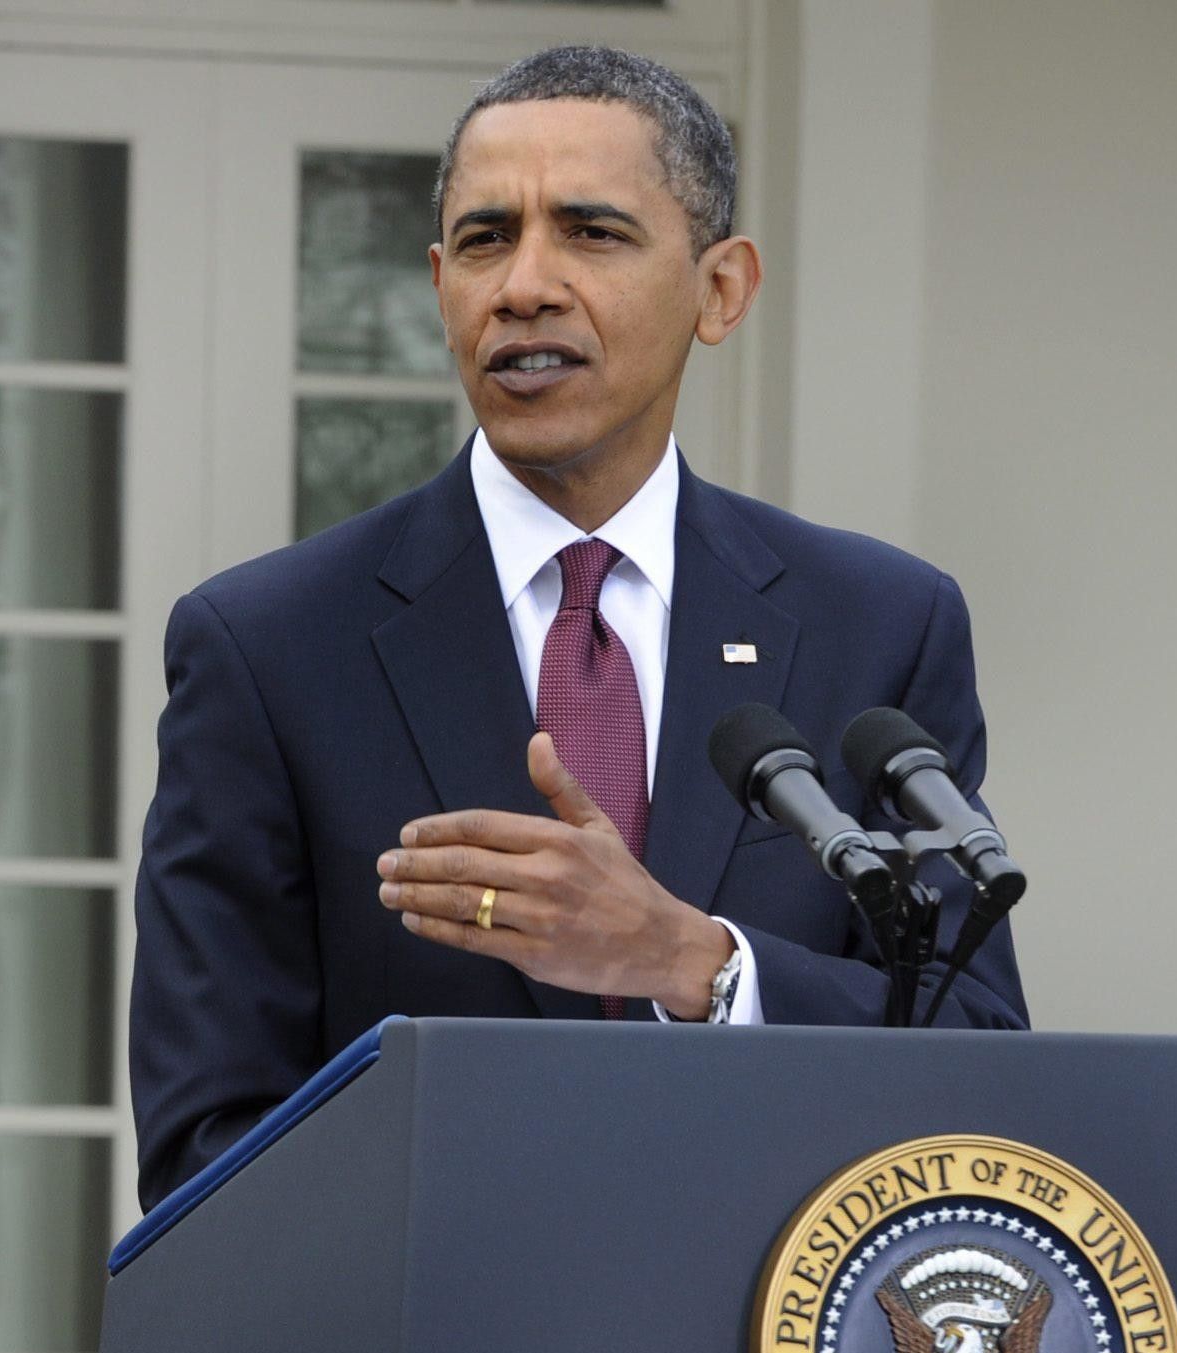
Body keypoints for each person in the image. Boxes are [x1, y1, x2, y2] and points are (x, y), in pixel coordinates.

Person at [131, 44, 1027, 1207]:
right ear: (441, 283)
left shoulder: (880, 624)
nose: (524, 286)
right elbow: (206, 1148)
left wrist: (694, 963)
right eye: (485, 239)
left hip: (776, 1315)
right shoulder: (269, 648)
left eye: (592, 233)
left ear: (721, 289)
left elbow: (978, 1049)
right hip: (439, 1316)